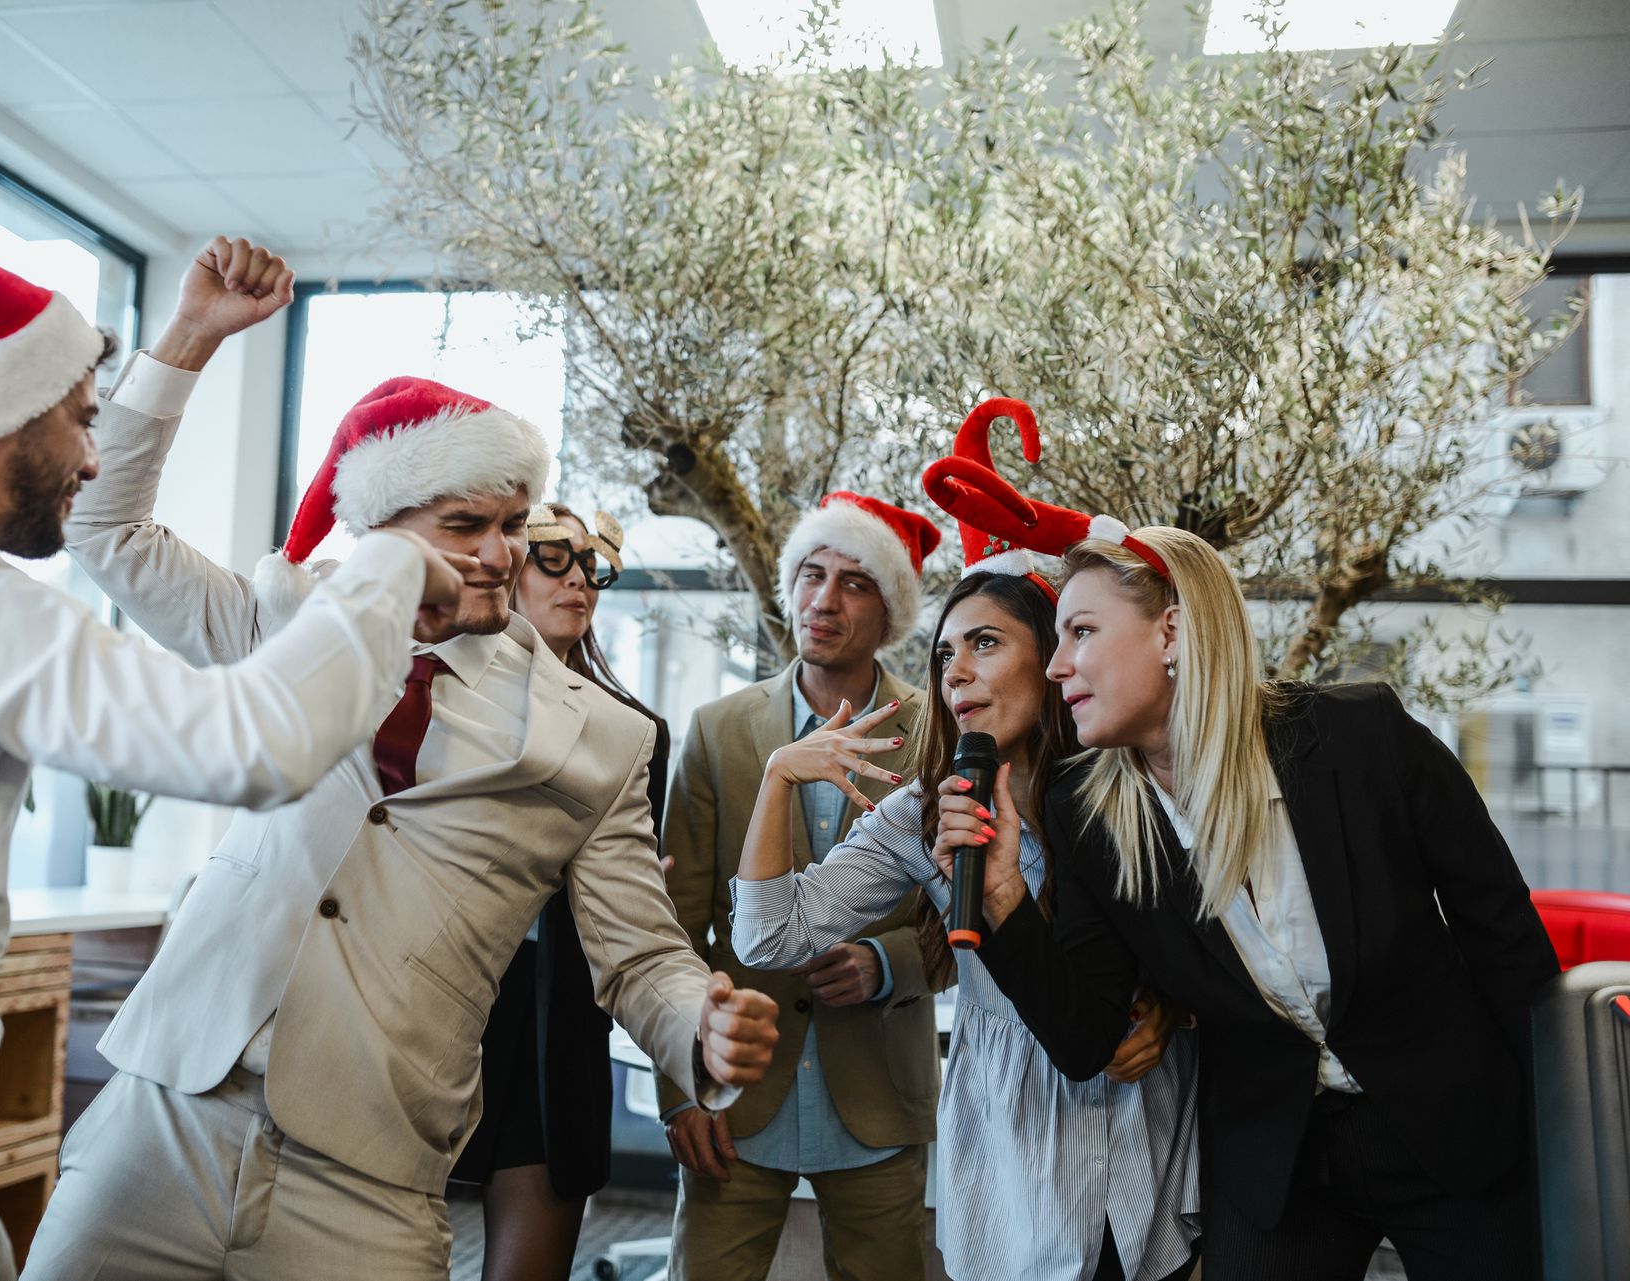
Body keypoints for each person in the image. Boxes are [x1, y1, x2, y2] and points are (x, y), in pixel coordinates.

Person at [22, 241, 782, 1281]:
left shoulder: (597, 737)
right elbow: (104, 530)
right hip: (166, 1117)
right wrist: (191, 336)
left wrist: (701, 1024)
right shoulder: (283, 622)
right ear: (379, 527)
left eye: (511, 525)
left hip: (371, 1170)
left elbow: (639, 956)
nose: (495, 553)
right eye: (461, 524)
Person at [0, 245, 463, 1280]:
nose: (92, 457)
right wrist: (386, 565)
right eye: (76, 418)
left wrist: (192, 335)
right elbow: (255, 745)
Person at [922, 402, 1560, 1281]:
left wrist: (1564, 1126)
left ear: (1173, 631)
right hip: (1281, 1161)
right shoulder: (1089, 810)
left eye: (1081, 632)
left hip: (1453, 1125)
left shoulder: (1359, 739)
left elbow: (1505, 937)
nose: (1058, 664)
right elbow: (1085, 1037)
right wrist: (1001, 899)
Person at [732, 492, 1202, 1281]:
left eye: (985, 642)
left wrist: (1173, 1007)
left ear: (1056, 655)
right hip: (1014, 1133)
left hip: (1136, 1120)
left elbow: (1214, 940)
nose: (957, 672)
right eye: (945, 654)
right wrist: (781, 775)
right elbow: (769, 934)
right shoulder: (928, 811)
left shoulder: (1130, 785)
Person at [659, 491, 940, 1281]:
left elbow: (964, 915)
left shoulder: (939, 733)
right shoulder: (718, 728)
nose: (823, 599)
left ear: (891, 610)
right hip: (734, 1094)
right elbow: (673, 929)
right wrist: (682, 1085)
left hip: (881, 1089)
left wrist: (887, 964)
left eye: (854, 582)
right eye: (811, 574)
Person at [451, 502, 669, 1281]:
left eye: (590, 565)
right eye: (553, 557)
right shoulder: (442, 700)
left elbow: (635, 905)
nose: (578, 577)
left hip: (555, 1030)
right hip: (442, 1014)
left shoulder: (633, 731)